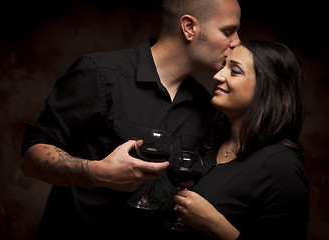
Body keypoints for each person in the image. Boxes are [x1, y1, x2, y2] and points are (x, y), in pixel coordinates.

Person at [20, 0, 241, 238]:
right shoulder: (101, 74)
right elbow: (31, 157)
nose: (237, 41)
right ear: (189, 27)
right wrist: (98, 172)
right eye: (228, 31)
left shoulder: (204, 103)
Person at [174, 40, 309, 239]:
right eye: (223, 67)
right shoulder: (211, 141)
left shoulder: (281, 165)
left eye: (235, 71)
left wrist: (214, 224)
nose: (217, 76)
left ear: (267, 87)